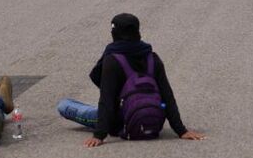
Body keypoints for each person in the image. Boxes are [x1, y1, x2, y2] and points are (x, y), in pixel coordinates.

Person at [57, 13, 205, 146]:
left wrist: (99, 135)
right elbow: (167, 96)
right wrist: (181, 130)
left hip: (119, 122)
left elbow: (106, 99)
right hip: (152, 120)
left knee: (64, 105)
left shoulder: (112, 59)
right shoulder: (152, 57)